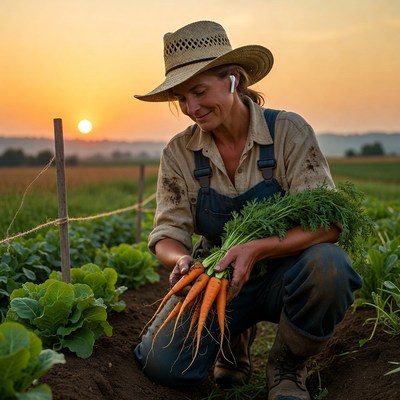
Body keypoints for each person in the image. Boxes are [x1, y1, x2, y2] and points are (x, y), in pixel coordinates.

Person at [133, 20, 362, 400]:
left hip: (287, 275)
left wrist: (256, 248)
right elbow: (167, 234)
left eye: (199, 92)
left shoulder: (288, 132)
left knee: (330, 266)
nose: (191, 108)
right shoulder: (178, 153)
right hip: (218, 279)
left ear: (234, 80)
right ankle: (232, 345)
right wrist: (181, 259)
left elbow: (332, 222)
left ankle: (287, 367)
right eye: (181, 98)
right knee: (162, 366)